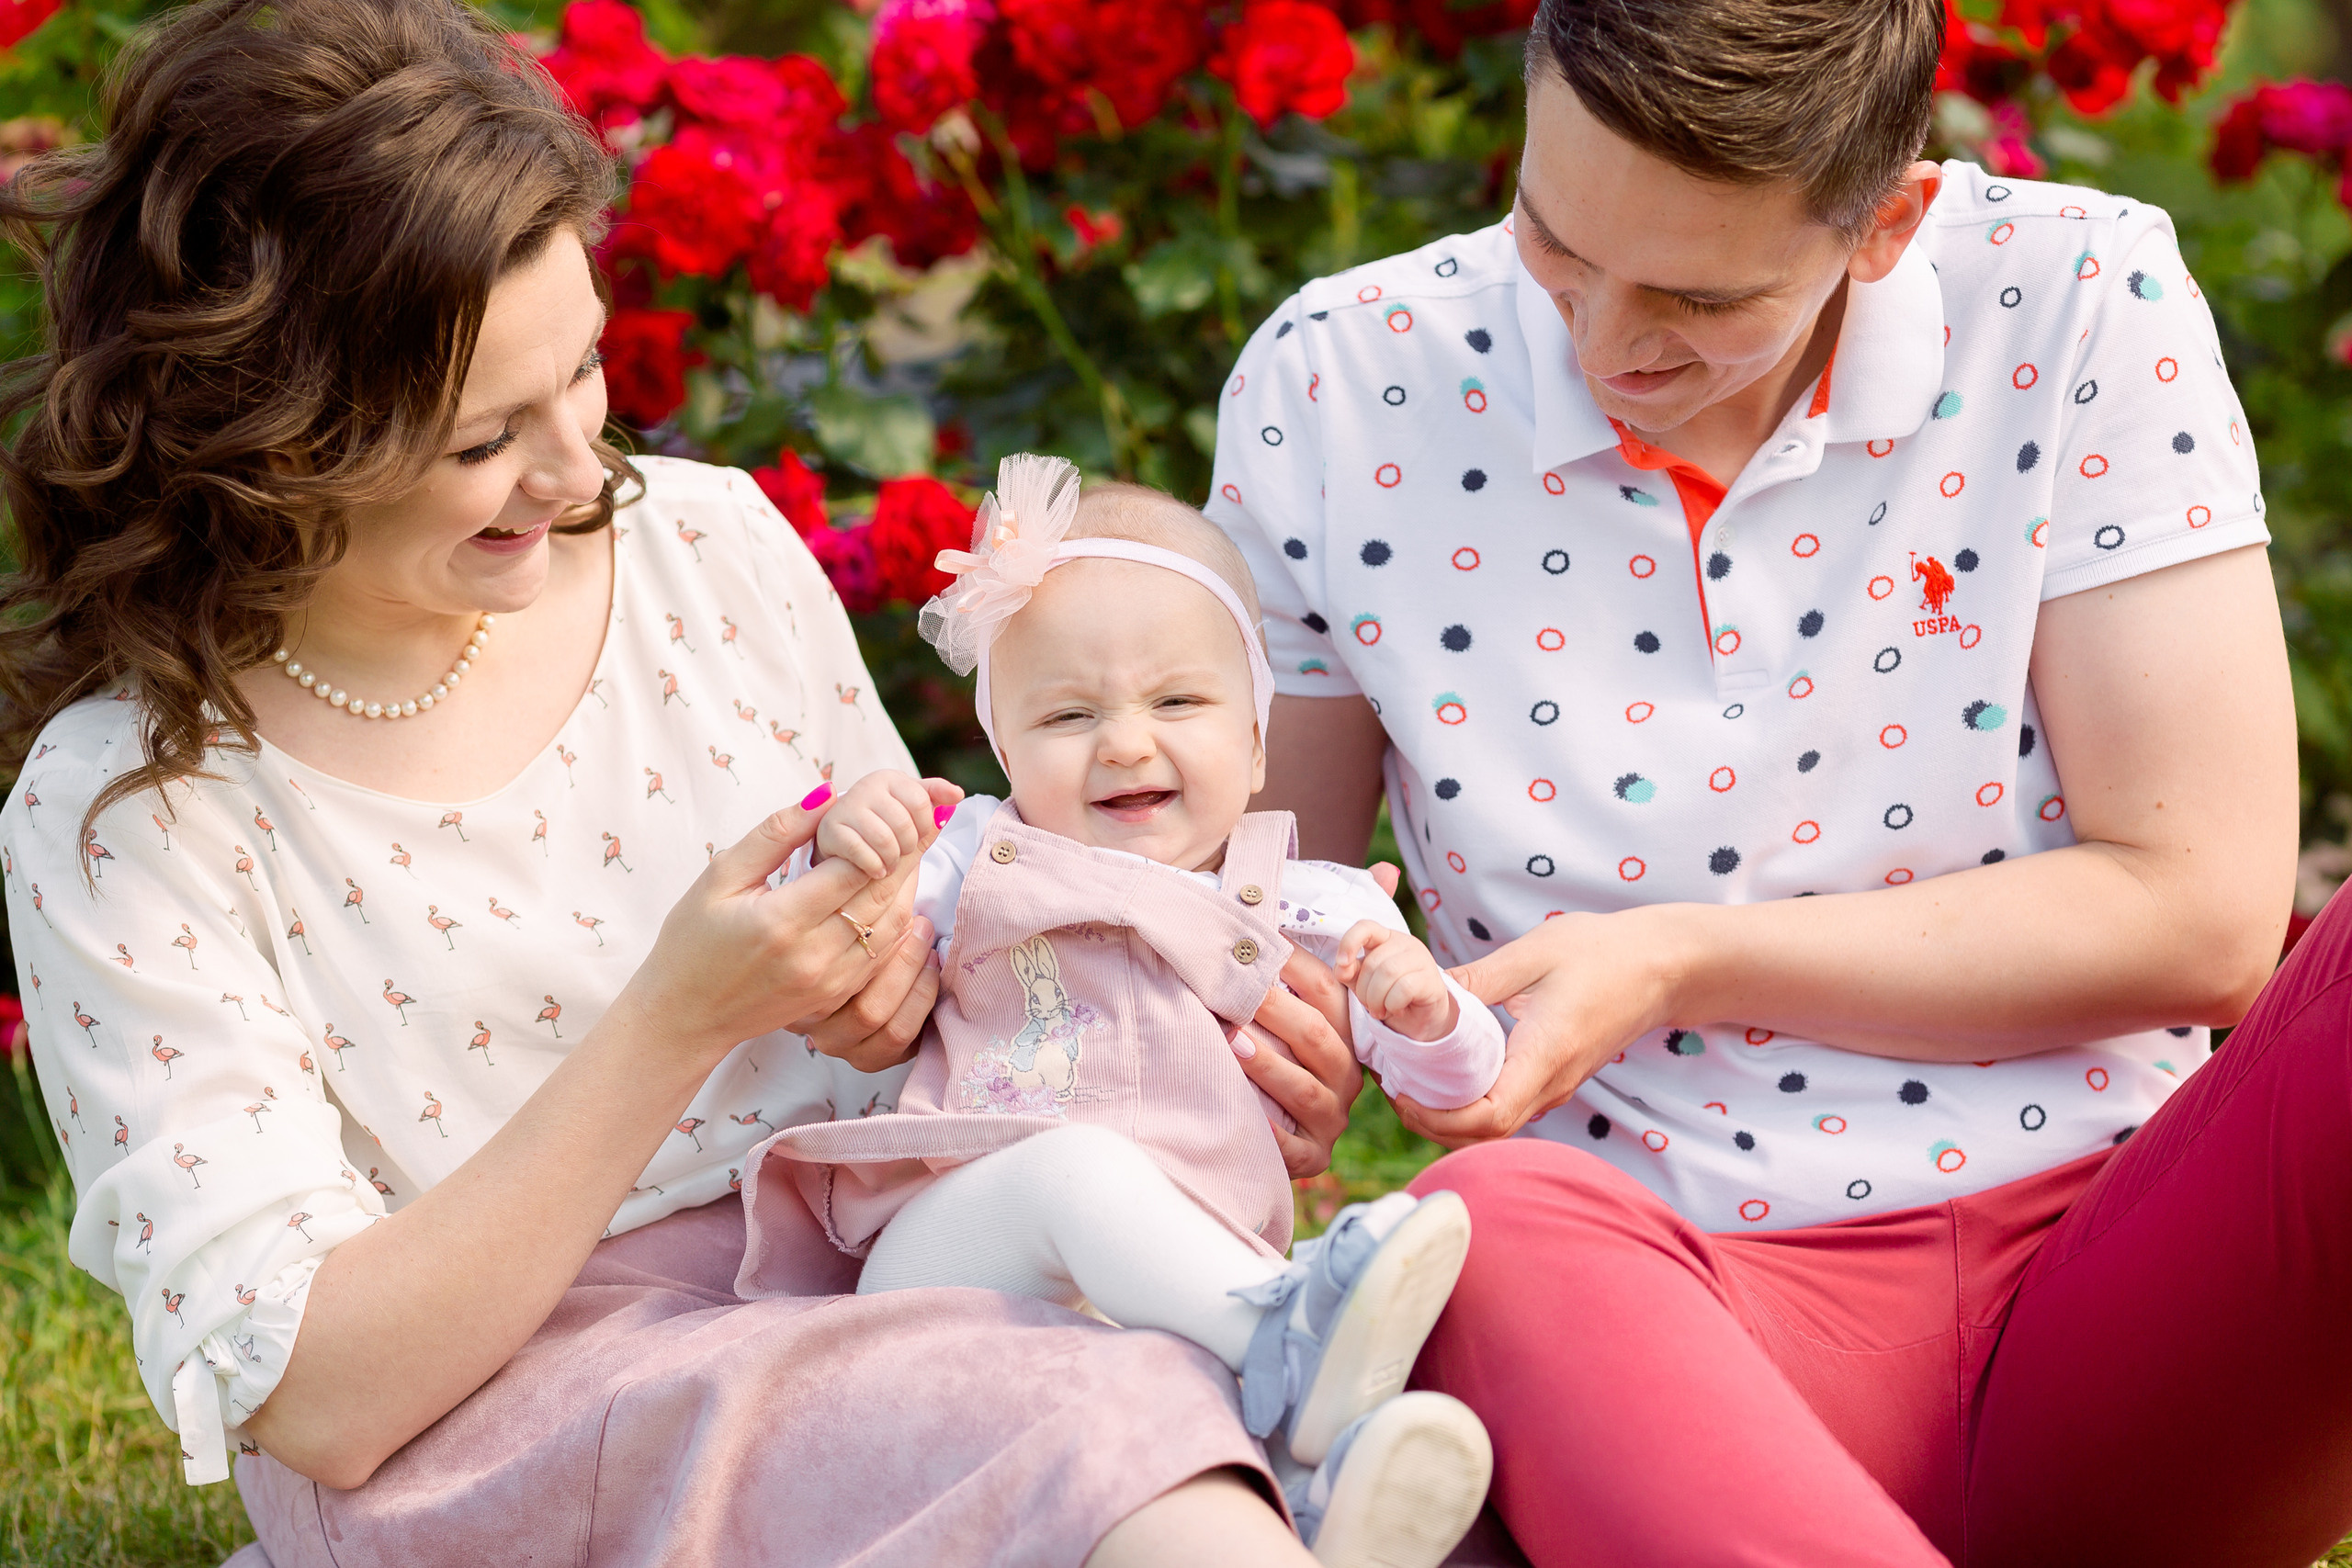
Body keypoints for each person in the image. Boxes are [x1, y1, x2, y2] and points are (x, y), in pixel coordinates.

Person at [0, 2, 1371, 1562]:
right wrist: (677, 1018)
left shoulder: (701, 546)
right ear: (269, 444)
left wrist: (1161, 1019)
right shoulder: (137, 807)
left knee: (1286, 1374)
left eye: (580, 371)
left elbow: (939, 958)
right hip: (514, 1409)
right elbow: (320, 1395)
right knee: (1113, 1433)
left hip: (875, 1262)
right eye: (482, 443)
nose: (584, 473)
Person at [1206, 0, 2350, 1563]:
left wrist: (1678, 957)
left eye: (1698, 295)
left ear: (1886, 223)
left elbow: (2208, 915)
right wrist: (1283, 1027)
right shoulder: (1338, 385)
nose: (1605, 347)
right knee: (1484, 1235)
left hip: (2123, 1286)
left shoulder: (2079, 294)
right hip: (1665, 1320)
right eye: (1555, 242)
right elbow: (1254, 919)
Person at [748, 457, 1500, 1564]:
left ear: (1254, 742)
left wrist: (1429, 1015)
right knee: (1078, 1170)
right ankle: (1286, 1336)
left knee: (1180, 1448)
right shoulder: (980, 858)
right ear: (1004, 754)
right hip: (963, 1252)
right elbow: (806, 933)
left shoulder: (1305, 902)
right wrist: (845, 841)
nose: (1126, 741)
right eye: (1067, 714)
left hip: (1169, 1301)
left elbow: (1458, 1085)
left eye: (1179, 700)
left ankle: (1310, 1500)